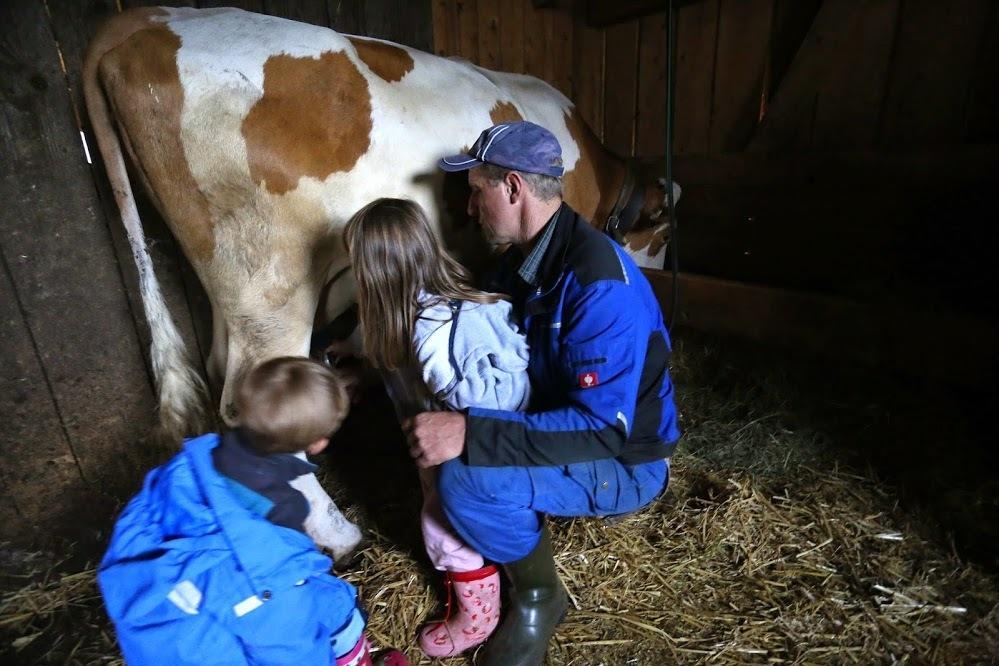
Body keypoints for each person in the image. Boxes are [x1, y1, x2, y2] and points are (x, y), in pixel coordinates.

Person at [404, 121, 681, 665]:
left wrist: (472, 432)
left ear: (512, 188)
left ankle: (538, 598)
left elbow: (603, 431)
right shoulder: (523, 260)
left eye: (475, 191)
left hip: (624, 460)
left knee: (465, 475)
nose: (467, 208)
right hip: (557, 414)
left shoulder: (601, 288)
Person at [98, 357, 408, 666]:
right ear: (317, 443)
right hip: (212, 639)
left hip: (162, 608)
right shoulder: (270, 548)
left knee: (339, 605)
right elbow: (288, 641)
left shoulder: (188, 466)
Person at [341, 197, 531, 659]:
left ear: (373, 273)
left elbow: (476, 406)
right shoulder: (419, 313)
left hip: (471, 452)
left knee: (442, 528)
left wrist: (459, 444)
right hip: (468, 446)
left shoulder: (433, 335)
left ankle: (478, 617)